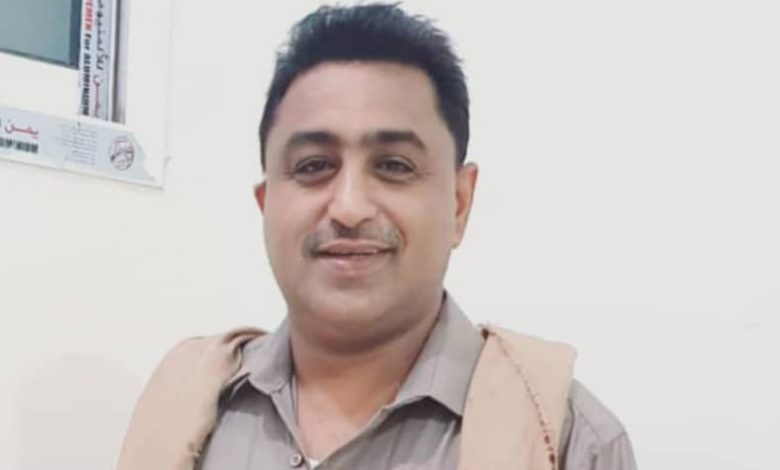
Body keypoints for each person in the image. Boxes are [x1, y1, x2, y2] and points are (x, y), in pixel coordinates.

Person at [118, 4, 637, 470]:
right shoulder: (183, 407)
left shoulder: (568, 443)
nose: (349, 208)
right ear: (266, 203)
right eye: (313, 166)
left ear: (459, 203)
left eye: (394, 166)